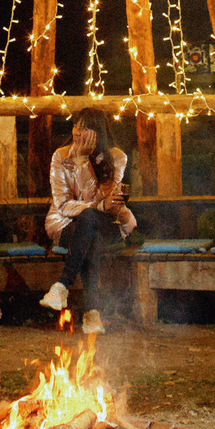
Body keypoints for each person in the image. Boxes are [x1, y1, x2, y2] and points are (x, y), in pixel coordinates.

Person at [40, 110, 136, 314]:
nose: (77, 132)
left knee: (89, 223)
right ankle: (92, 312)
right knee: (89, 231)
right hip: (66, 223)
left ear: (97, 132)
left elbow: (107, 198)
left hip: (105, 222)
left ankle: (62, 286)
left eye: (84, 128)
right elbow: (63, 204)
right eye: (76, 126)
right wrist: (98, 207)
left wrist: (85, 162)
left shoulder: (117, 157)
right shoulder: (60, 156)